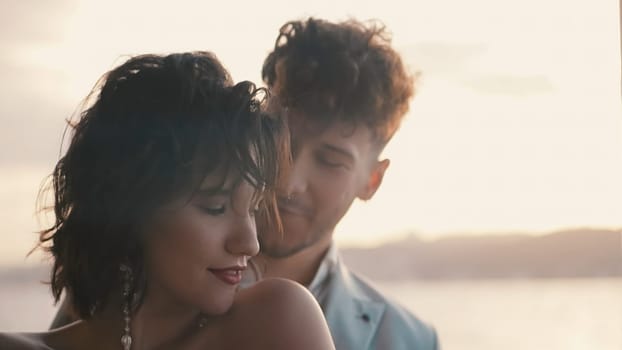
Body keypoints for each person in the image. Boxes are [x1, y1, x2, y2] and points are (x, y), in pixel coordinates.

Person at [1, 51, 335, 350]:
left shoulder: (277, 322)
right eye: (215, 207)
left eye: (252, 209)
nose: (249, 243)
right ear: (127, 208)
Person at [252, 18, 440, 350]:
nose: (288, 183)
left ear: (372, 181)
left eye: (330, 161)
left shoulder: (410, 342)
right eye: (280, 144)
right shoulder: (151, 284)